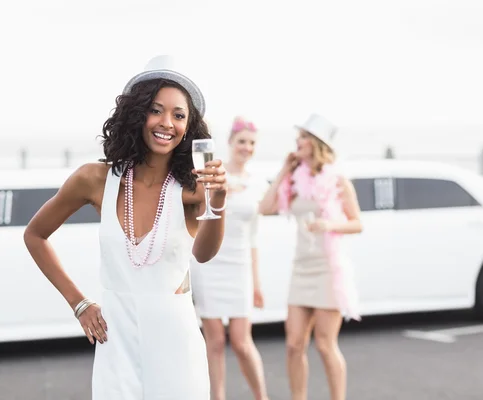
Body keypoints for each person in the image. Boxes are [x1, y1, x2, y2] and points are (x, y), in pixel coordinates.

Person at [22, 55, 227, 400]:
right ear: (137, 113)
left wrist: (219, 199)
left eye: (179, 115)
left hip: (175, 343)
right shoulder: (94, 179)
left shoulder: (192, 188)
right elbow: (35, 235)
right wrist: (80, 304)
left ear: (188, 127)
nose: (167, 123)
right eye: (156, 110)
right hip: (117, 343)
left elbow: (204, 255)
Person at [258, 113, 363, 400]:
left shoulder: (339, 182)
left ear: (317, 143)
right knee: (293, 344)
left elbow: (357, 223)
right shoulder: (293, 180)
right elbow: (265, 208)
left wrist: (330, 225)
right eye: (298, 137)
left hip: (328, 269)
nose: (297, 142)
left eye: (303, 137)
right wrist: (282, 171)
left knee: (325, 345)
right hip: (301, 268)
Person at [191, 116, 270, 400]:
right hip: (210, 262)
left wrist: (257, 283)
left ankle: (262, 396)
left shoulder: (259, 183)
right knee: (214, 340)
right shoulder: (213, 171)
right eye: (241, 141)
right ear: (230, 143)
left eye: (251, 143)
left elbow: (254, 239)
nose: (246, 147)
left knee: (241, 341)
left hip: (240, 265)